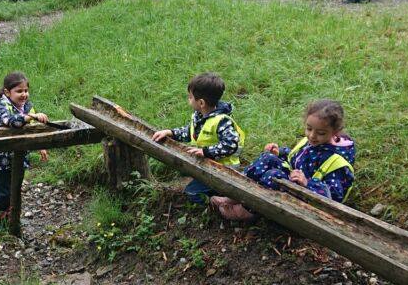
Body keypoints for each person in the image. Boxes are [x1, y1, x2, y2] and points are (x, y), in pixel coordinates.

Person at [211, 99, 355, 221]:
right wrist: (280, 152)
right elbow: (297, 157)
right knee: (267, 158)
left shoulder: (337, 162)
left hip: (308, 197)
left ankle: (248, 211)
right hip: (294, 180)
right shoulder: (314, 142)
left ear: (335, 132)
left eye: (321, 133)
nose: (312, 135)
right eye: (309, 129)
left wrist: (307, 183)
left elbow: (335, 196)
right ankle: (237, 193)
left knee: (274, 176)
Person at [152, 72, 245, 203]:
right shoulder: (199, 116)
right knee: (183, 169)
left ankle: (219, 201)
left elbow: (231, 144)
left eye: (190, 97)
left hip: (223, 171)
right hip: (208, 165)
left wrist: (205, 152)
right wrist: (171, 133)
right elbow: (190, 131)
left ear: (201, 102)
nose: (188, 100)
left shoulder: (222, 121)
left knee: (192, 193)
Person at [0, 72, 48, 222]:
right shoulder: (1, 105)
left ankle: (12, 216)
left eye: (26, 90)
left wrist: (41, 145)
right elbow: (10, 121)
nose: (24, 94)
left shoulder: (27, 106)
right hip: (1, 156)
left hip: (20, 154)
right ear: (7, 92)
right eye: (19, 91)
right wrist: (30, 117)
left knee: (15, 187)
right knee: (3, 191)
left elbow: (32, 129)